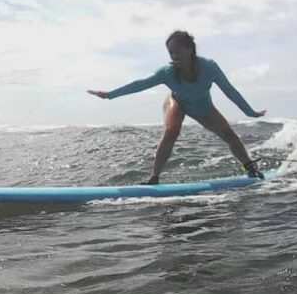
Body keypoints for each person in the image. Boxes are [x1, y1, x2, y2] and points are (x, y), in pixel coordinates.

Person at [88, 30, 266, 184]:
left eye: (177, 51)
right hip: (177, 103)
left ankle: (250, 168)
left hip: (202, 107)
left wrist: (249, 112)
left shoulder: (209, 67)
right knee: (172, 131)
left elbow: (229, 90)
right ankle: (155, 177)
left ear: (190, 49)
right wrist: (110, 95)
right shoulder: (167, 72)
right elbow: (139, 84)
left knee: (228, 133)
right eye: (170, 52)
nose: (173, 56)